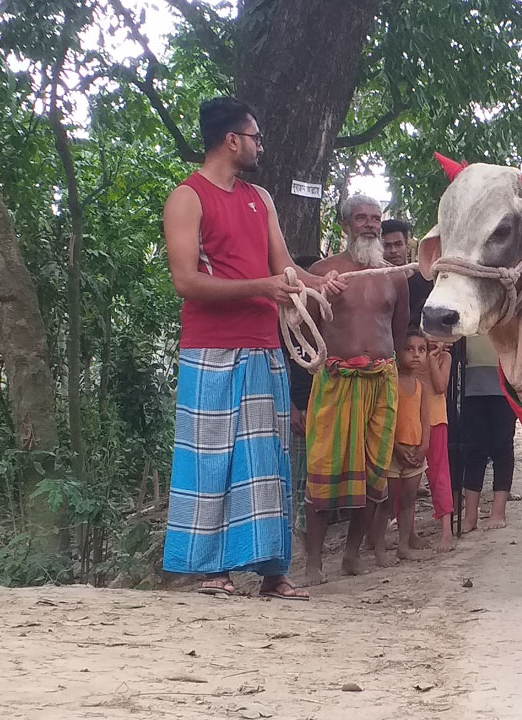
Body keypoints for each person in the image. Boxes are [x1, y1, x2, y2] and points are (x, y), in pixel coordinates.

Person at [162, 97, 344, 600]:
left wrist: (318, 284)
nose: (260, 144)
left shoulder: (259, 198)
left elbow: (284, 267)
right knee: (211, 458)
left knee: (268, 460)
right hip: (210, 350)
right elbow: (185, 281)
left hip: (264, 348)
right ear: (231, 140)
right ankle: (212, 571)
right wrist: (262, 288)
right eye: (255, 136)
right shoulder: (187, 197)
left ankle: (272, 572)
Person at [302, 193, 408, 583]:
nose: (369, 224)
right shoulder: (324, 272)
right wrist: (302, 398)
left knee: (374, 473)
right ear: (345, 225)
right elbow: (306, 333)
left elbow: (397, 335)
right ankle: (313, 564)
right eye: (361, 217)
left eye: (375, 218)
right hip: (335, 381)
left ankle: (351, 555)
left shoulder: (395, 276)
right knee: (322, 471)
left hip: (382, 382)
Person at [461, 334, 515, 531]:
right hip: (471, 389)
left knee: (502, 448)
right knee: (474, 450)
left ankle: (498, 512)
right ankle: (470, 515)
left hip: (505, 388)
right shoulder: (468, 318)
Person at [387, 330, 431, 560]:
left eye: (421, 350)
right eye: (409, 349)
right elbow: (387, 419)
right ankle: (378, 547)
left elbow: (426, 419)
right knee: (386, 502)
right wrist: (395, 446)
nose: (415, 355)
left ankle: (403, 546)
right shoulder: (390, 383)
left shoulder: (421, 386)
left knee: (408, 501)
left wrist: (424, 447)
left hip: (415, 452)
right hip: (394, 452)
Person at [286, 254, 320, 538]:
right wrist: (291, 408)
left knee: (322, 468)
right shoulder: (284, 322)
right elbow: (279, 364)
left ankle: (322, 519)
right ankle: (299, 525)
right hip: (299, 408)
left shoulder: (326, 319)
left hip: (326, 404)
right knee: (299, 472)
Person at [421, 338, 456, 552]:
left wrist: (433, 359)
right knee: (405, 476)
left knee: (439, 475)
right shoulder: (412, 353)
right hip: (410, 420)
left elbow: (441, 386)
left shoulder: (444, 357)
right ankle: (410, 534)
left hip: (435, 419)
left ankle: (446, 531)